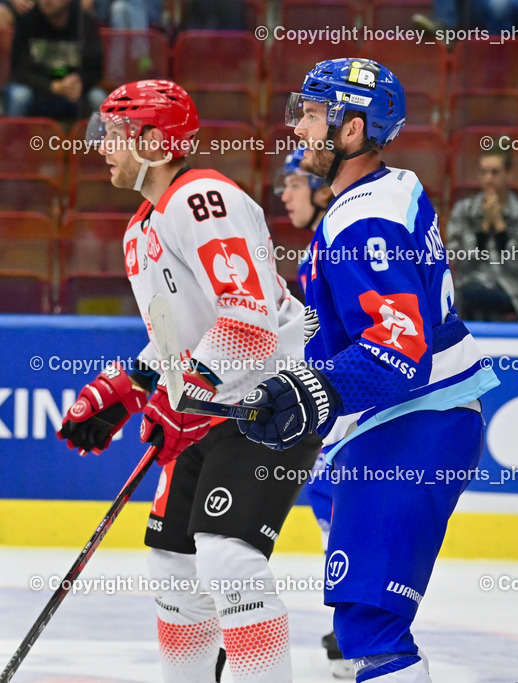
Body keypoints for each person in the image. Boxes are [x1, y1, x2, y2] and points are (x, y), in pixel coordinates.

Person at [237, 58, 499, 683]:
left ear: (352, 130)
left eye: (311, 114)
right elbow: (378, 323)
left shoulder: (364, 220)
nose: (299, 129)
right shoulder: (385, 192)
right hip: (406, 423)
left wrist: (313, 386)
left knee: (372, 634)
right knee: (363, 622)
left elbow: (397, 350)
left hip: (412, 425)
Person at [59, 79, 319, 681]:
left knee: (228, 562)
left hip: (267, 403)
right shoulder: (139, 230)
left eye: (116, 134)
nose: (103, 147)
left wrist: (190, 396)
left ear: (154, 140)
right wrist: (126, 386)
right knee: (174, 572)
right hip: (208, 409)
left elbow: (250, 317)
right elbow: (178, 337)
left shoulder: (202, 197)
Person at [275, 146, 355, 678]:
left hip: (351, 401)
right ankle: (351, 616)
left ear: (322, 189)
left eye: (292, 184)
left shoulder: (338, 239)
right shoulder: (323, 242)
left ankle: (357, 620)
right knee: (330, 501)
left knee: (342, 501)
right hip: (339, 399)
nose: (284, 195)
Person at [446, 147, 518, 321]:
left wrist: (499, 226)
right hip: (469, 285)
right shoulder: (464, 210)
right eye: (484, 172)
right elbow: (460, 261)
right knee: (469, 293)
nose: (488, 179)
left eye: (495, 172)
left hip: (513, 287)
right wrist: (483, 230)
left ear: (509, 174)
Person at [5, 0, 105, 119]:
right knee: (18, 96)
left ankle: (95, 137)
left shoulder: (84, 22)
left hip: (73, 89)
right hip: (37, 89)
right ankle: (14, 137)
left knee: (98, 97)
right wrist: (53, 86)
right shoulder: (26, 20)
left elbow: (96, 70)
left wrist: (79, 82)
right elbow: (19, 70)